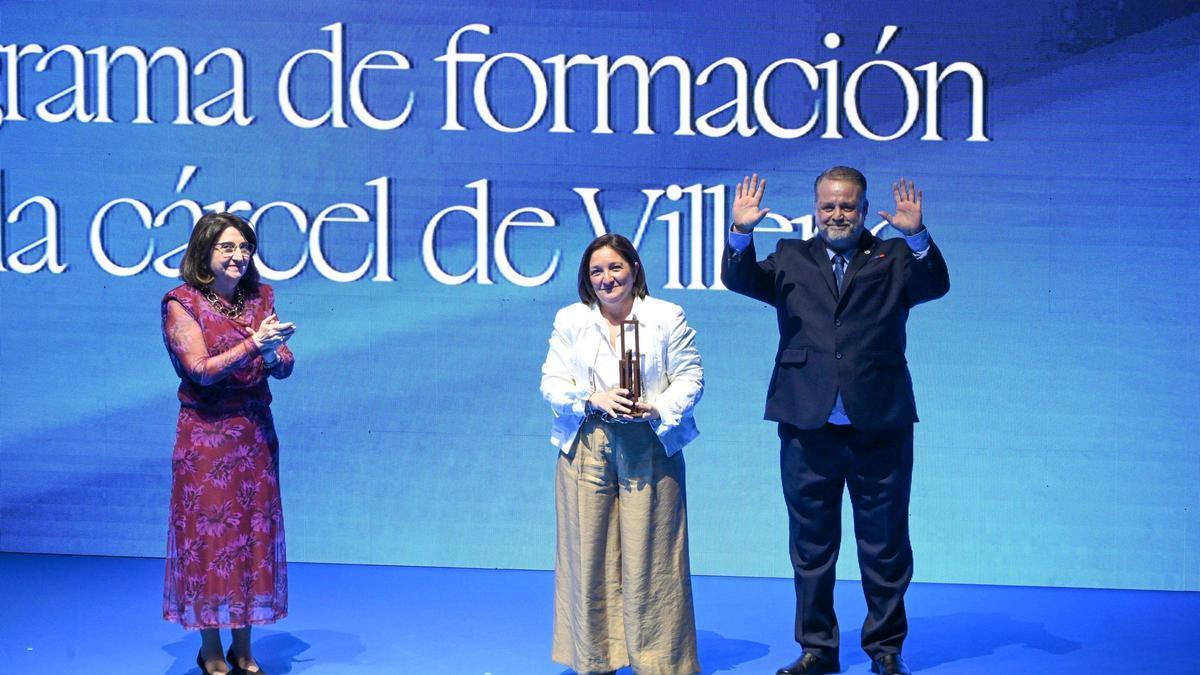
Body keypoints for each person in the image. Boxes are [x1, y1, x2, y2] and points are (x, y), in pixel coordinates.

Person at [721, 169, 949, 675]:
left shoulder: (892, 257)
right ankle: (818, 650)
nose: (838, 215)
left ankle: (885, 649)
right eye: (829, 207)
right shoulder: (790, 257)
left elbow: (936, 284)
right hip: (808, 424)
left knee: (885, 544)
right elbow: (740, 279)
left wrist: (915, 235)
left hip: (880, 423)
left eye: (848, 207)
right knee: (811, 546)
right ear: (815, 209)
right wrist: (740, 233)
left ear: (865, 210)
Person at [540, 233, 705, 675]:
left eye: (615, 267)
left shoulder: (667, 316)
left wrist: (659, 406)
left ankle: (660, 663)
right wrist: (591, 398)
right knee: (588, 554)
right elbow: (552, 383)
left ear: (634, 269)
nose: (607, 278)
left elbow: (691, 377)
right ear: (586, 279)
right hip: (588, 445)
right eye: (597, 271)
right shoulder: (571, 320)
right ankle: (596, 659)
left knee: (654, 557)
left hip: (649, 442)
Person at [162, 212, 297, 675]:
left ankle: (244, 644)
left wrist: (275, 352)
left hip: (255, 434)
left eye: (245, 247)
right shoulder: (181, 304)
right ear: (204, 252)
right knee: (210, 538)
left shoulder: (261, 298)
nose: (239, 256)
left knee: (251, 537)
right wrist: (252, 346)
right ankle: (211, 647)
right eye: (228, 247)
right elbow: (198, 369)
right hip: (206, 437)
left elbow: (284, 364)